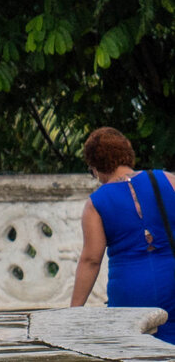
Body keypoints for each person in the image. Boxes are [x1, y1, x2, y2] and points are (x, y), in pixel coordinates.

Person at [71, 126, 175, 340]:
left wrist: (74, 311)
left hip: (130, 292)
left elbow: (91, 260)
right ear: (127, 154)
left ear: (96, 166)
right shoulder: (169, 180)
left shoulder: (96, 204)